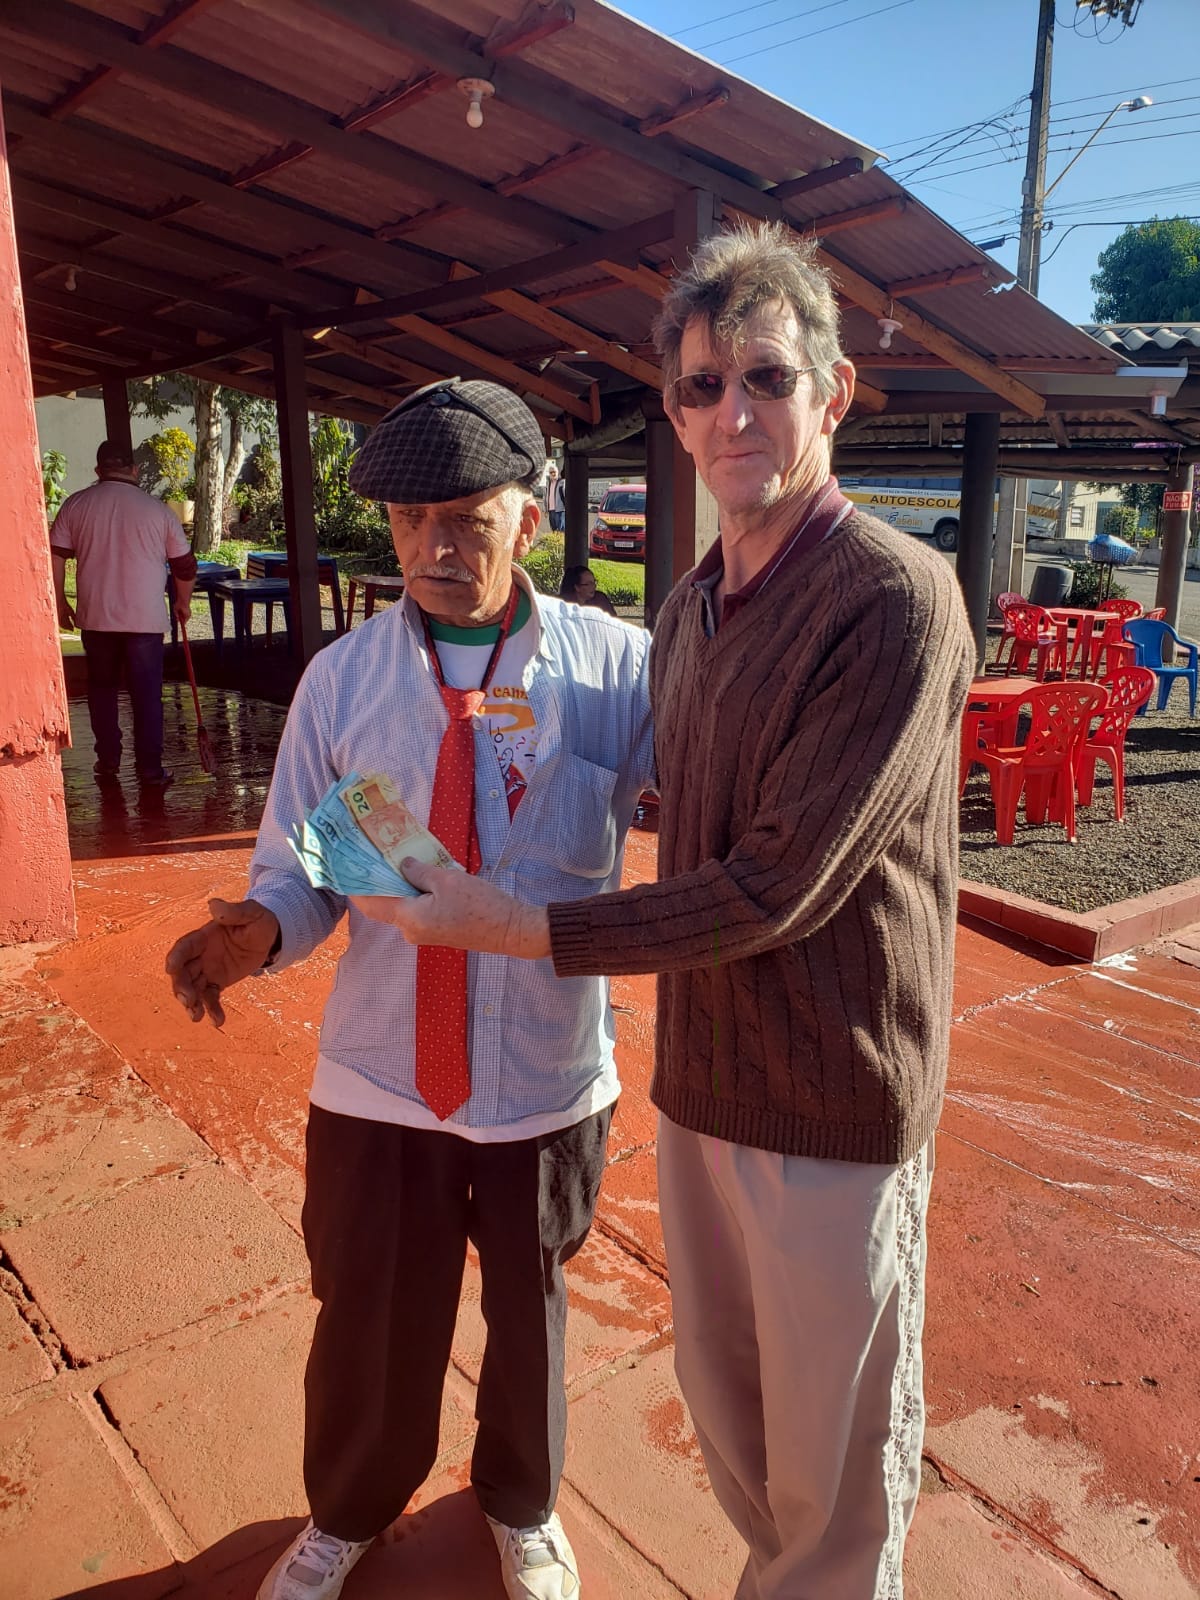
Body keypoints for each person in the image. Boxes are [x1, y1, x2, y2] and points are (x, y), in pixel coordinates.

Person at [351, 224, 975, 1599]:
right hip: (704, 1090)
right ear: (677, 413)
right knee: (737, 1429)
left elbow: (776, 884)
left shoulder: (893, 600)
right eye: (703, 386)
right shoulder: (689, 612)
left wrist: (519, 925)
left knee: (835, 1481)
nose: (732, 412)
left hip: (834, 1100)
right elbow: (673, 800)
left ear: (833, 394)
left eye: (766, 378)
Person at [165, 378, 655, 1600]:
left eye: (467, 520)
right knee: (370, 1314)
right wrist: (259, 932)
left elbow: (704, 800)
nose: (434, 546)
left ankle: (522, 1506)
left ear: (528, 520)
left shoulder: (615, 670)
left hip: (545, 1076)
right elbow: (302, 867)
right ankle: (346, 1512)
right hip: (382, 1074)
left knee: (531, 1308)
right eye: (408, 520)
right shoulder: (343, 683)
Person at [50, 439, 196, 786]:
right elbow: (185, 566)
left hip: (96, 617)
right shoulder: (159, 511)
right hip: (144, 620)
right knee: (146, 694)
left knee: (102, 690)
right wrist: (183, 602)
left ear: (98, 470)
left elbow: (55, 555)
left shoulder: (76, 505)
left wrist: (59, 601)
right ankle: (150, 768)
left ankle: (108, 760)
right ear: (135, 470)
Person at [545, 463, 565, 532]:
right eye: (551, 472)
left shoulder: (562, 482)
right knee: (553, 530)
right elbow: (545, 496)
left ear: (557, 472)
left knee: (561, 530)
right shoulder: (548, 483)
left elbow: (565, 495)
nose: (553, 474)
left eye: (554, 472)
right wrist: (545, 510)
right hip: (551, 510)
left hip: (559, 510)